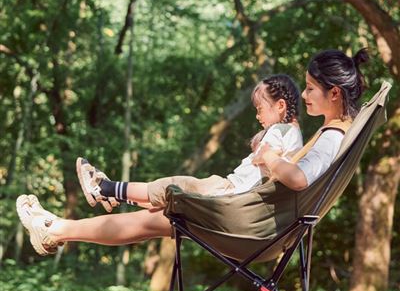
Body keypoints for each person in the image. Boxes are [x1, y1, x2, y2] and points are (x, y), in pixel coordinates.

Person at [16, 48, 369, 257]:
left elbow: (299, 178)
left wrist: (269, 157)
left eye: (310, 88)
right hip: (251, 217)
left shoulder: (330, 138)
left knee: (160, 208)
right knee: (153, 217)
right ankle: (58, 226)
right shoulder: (331, 133)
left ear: (334, 93)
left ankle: (65, 222)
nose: (304, 96)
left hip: (248, 223)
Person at [76, 74, 303, 213]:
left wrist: (260, 150)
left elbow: (264, 155)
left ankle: (103, 188)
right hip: (232, 193)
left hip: (229, 192)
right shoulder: (294, 135)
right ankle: (112, 194)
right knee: (166, 197)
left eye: (260, 109)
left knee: (170, 187)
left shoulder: (279, 130)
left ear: (280, 105)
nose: (257, 116)